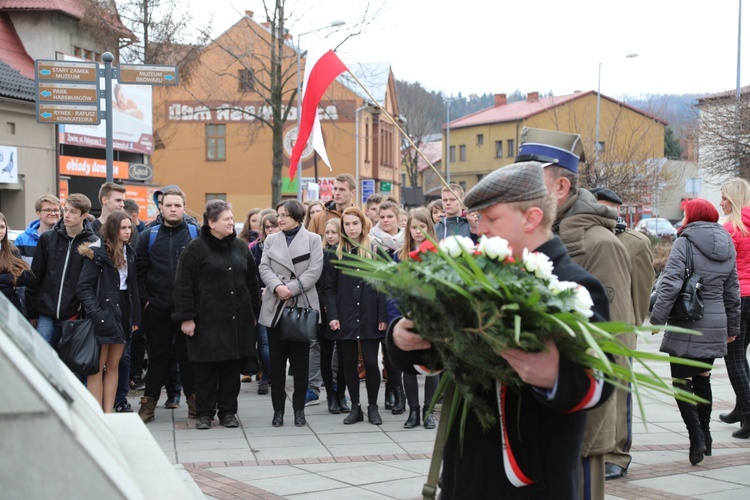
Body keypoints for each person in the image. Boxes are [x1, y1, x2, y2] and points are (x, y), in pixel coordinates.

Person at [388, 162, 613, 498]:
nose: (481, 230)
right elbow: (437, 355)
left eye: (492, 219)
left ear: (532, 218)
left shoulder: (574, 285)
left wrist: (555, 374)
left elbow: (603, 381)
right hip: (463, 472)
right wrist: (401, 337)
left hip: (530, 481)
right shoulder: (473, 274)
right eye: (480, 220)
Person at [517, 126, 635, 498]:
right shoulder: (534, 237)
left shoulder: (599, 245)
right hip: (536, 416)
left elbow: (614, 343)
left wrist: (594, 429)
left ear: (561, 188)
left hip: (579, 420)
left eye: (529, 178)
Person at [650, 198, 741, 465]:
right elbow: (732, 291)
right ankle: (707, 436)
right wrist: (732, 327)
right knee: (703, 377)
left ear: (692, 215)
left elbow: (669, 285)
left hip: (687, 322)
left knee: (681, 381)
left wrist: (656, 319)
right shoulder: (727, 243)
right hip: (714, 322)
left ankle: (696, 439)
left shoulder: (685, 242)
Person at [173, 200, 261, 430]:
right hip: (206, 322)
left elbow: (252, 282)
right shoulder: (195, 248)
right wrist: (187, 317)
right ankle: (204, 413)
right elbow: (183, 285)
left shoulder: (241, 248)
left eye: (232, 218)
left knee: (232, 370)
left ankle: (228, 412)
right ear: (211, 223)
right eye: (226, 219)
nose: (231, 222)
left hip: (236, 320)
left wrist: (254, 311)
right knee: (206, 371)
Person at [589, 186, 655, 479]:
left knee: (618, 393)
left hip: (618, 327)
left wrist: (631, 326)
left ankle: (618, 453)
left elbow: (641, 291)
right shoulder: (579, 238)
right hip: (584, 327)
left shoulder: (635, 243)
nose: (606, 212)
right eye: (599, 206)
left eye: (610, 207)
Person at [258, 200, 324, 428]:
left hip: (300, 306)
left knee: (301, 365)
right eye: (279, 215)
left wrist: (292, 289)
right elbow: (263, 266)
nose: (280, 219)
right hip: (276, 306)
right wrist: (278, 287)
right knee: (276, 366)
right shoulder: (271, 239)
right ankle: (278, 411)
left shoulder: (313, 240)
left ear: (297, 216)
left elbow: (315, 270)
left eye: (285, 215)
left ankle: (299, 411)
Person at [136, 188, 198, 423]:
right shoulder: (148, 236)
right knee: (158, 358)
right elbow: (139, 273)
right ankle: (148, 404)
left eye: (177, 205)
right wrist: (147, 302)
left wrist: (194, 306)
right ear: (160, 208)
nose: (173, 209)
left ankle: (195, 403)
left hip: (187, 311)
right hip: (157, 309)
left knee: (188, 357)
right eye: (169, 205)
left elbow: (201, 272)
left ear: (184, 207)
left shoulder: (194, 234)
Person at [326, 207, 388, 425]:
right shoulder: (335, 253)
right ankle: (355, 407)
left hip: (370, 314)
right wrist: (332, 315)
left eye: (355, 223)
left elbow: (383, 286)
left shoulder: (375, 251)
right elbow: (330, 288)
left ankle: (373, 406)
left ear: (363, 225)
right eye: (347, 224)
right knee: (349, 363)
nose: (351, 228)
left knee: (371, 363)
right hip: (345, 315)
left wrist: (383, 316)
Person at [77, 211, 140, 412]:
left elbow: (133, 288)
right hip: (103, 310)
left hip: (123, 309)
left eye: (129, 227)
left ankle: (108, 412)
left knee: (114, 365)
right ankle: (98, 415)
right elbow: (84, 287)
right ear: (113, 229)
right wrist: (98, 315)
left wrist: (135, 317)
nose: (128, 231)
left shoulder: (129, 252)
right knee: (97, 367)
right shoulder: (97, 252)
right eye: (123, 227)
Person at [25, 194, 98, 348]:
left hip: (73, 313)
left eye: (73, 212)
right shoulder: (47, 238)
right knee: (40, 354)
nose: (67, 215)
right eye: (66, 210)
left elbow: (92, 282)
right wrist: (32, 312)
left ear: (84, 215)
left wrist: (85, 311)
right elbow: (35, 276)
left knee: (70, 360)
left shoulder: (92, 243)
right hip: (45, 310)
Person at [394, 207, 438, 429]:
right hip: (408, 316)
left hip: (431, 316)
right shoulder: (400, 255)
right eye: (413, 227)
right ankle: (413, 411)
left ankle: (428, 411)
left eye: (422, 226)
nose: (418, 231)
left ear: (429, 227)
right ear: (407, 229)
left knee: (432, 365)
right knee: (408, 366)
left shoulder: (437, 253)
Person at [718, 177, 750, 438]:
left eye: (725, 198)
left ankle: (749, 414)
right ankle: (741, 410)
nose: (721, 203)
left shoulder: (731, 228)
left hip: (738, 297)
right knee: (742, 355)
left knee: (734, 357)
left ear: (735, 200)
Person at [369, 199, 406, 414]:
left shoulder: (404, 241)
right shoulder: (373, 242)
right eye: (382, 217)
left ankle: (396, 390)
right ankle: (391, 390)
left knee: (396, 349)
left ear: (398, 218)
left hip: (398, 302)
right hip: (377, 300)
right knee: (383, 348)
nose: (385, 220)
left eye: (389, 217)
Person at [317, 218, 349, 413]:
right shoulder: (320, 254)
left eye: (334, 233)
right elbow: (318, 284)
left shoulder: (346, 254)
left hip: (344, 309)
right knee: (326, 354)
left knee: (345, 355)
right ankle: (330, 395)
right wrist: (326, 306)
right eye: (327, 232)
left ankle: (341, 393)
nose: (329, 236)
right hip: (324, 309)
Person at [249, 212, 280, 395]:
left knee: (281, 342)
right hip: (262, 302)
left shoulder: (288, 246)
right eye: (267, 227)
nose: (270, 230)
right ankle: (268, 375)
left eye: (273, 226)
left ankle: (273, 374)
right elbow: (252, 275)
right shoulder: (256, 249)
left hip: (284, 298)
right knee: (264, 342)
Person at [14, 194, 62, 265]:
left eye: (56, 210)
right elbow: (17, 269)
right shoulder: (22, 240)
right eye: (48, 210)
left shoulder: (66, 238)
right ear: (38, 213)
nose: (53, 213)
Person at [0, 212, 32, 312]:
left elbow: (25, 277)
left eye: (2, 227)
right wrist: (10, 279)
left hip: (8, 307)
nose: (0, 231)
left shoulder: (11, 250)